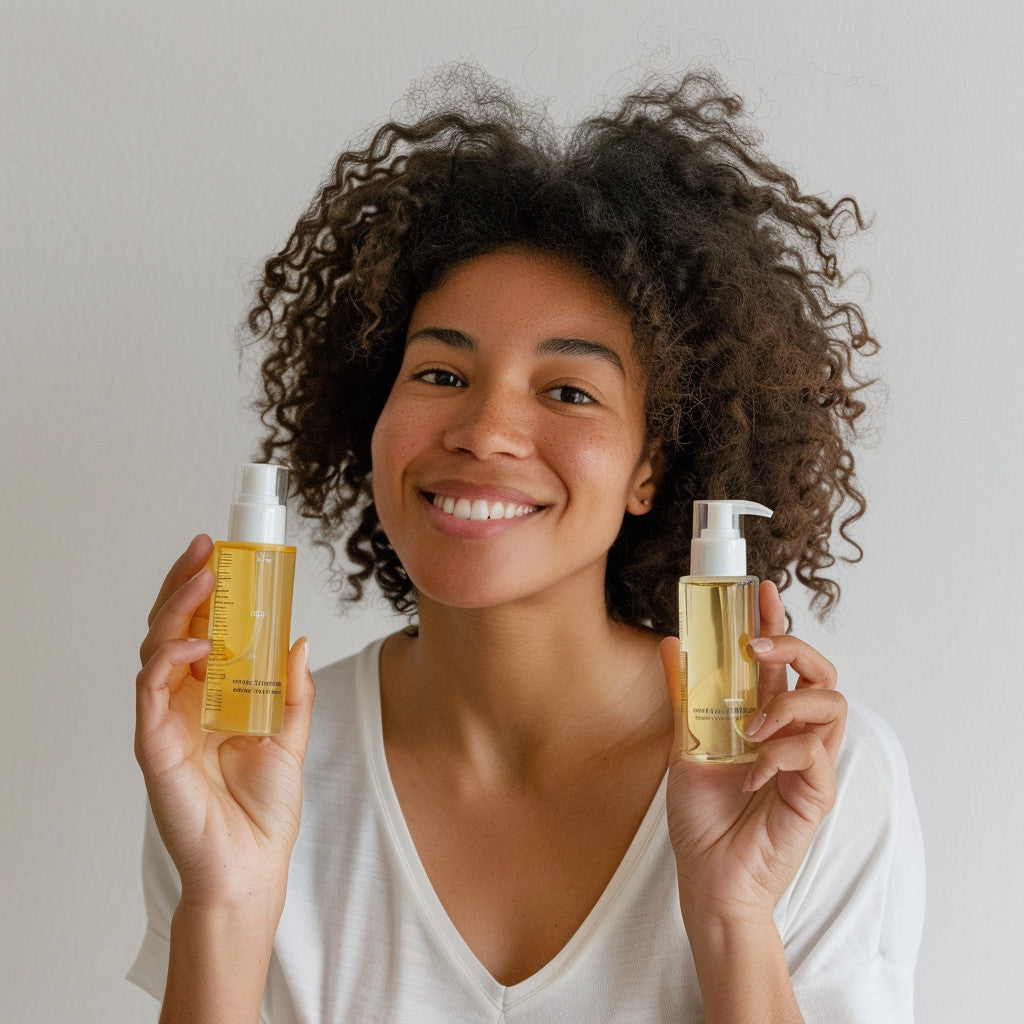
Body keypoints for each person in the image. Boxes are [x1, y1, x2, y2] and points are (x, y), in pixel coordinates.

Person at [129, 68, 924, 1022]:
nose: (486, 430)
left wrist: (733, 920)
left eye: (570, 391)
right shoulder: (242, 755)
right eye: (438, 371)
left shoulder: (805, 778)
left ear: (650, 470)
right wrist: (225, 900)